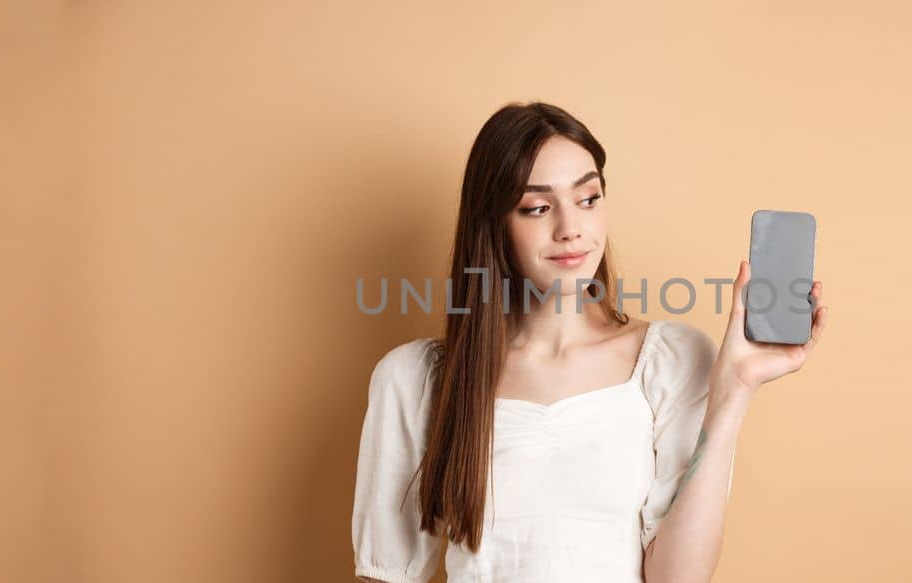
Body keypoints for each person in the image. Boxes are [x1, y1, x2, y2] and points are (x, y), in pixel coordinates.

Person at [351, 102, 828, 582]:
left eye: (588, 198)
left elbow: (677, 578)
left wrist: (734, 391)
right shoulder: (418, 379)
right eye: (537, 207)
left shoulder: (671, 360)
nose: (570, 228)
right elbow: (387, 573)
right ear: (492, 225)